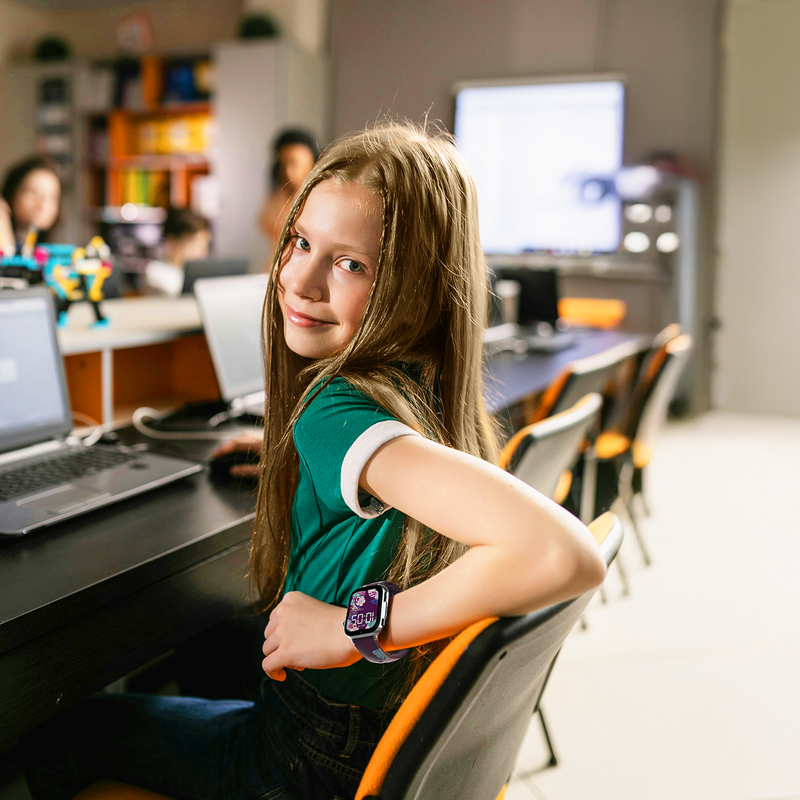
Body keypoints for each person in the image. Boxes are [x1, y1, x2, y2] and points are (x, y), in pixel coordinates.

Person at [22, 122, 607, 800]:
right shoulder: (426, 386)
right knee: (212, 642)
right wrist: (297, 458)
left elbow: (565, 553)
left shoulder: (336, 410)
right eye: (301, 242)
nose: (298, 280)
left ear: (415, 286)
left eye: (350, 263)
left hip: (311, 756)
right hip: (380, 733)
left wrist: (352, 627)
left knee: (63, 734)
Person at [259, 128, 319, 250]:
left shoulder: (320, 199)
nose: (287, 172)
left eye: (294, 163)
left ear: (311, 161)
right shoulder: (279, 194)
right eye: (283, 164)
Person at [142, 206, 211, 296]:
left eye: (204, 246)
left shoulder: (203, 274)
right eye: (195, 245)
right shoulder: (154, 272)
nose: (202, 253)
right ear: (171, 241)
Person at [0, 156, 62, 253]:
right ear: (12, 194)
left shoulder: (45, 250)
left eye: (52, 197)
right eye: (33, 193)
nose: (42, 204)